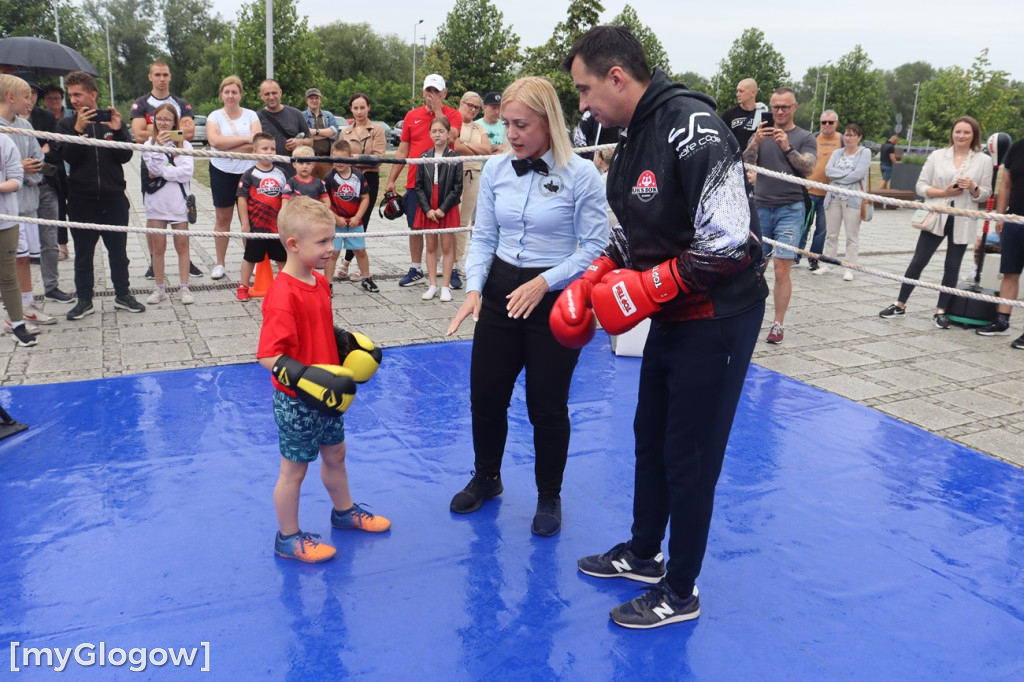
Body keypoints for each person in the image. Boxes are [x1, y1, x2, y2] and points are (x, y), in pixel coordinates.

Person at [563, 25, 767, 629]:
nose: (582, 104)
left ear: (617, 77)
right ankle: (644, 554)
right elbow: (631, 231)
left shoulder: (693, 128)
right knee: (649, 435)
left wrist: (651, 286)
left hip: (720, 315)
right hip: (674, 313)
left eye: (584, 89)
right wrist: (598, 271)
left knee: (690, 455)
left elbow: (731, 239)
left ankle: (680, 592)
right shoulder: (630, 138)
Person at [445, 75, 607, 537]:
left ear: (549, 122)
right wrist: (474, 286)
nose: (511, 134)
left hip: (554, 297)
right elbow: (485, 237)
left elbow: (595, 247)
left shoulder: (581, 175)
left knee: (547, 405)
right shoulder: (497, 170)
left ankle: (549, 495)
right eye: (509, 124)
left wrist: (545, 281)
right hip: (500, 290)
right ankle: (487, 476)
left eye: (522, 125)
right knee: (486, 395)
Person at [256, 196, 390, 563]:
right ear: (293, 244)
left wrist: (341, 340)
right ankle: (287, 537)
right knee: (294, 470)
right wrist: (303, 376)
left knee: (336, 454)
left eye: (331, 240)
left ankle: (344, 513)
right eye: (322, 242)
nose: (331, 249)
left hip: (328, 393)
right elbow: (268, 354)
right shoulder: (281, 294)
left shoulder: (317, 281)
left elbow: (315, 326)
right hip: (297, 399)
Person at [878, 116, 993, 328]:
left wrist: (973, 187)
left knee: (952, 265)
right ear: (952, 133)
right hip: (936, 215)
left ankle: (941, 310)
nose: (961, 136)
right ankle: (900, 303)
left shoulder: (983, 160)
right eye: (958, 131)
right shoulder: (938, 155)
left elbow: (986, 193)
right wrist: (944, 192)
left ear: (974, 135)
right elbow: (921, 187)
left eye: (966, 132)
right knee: (919, 260)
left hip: (962, 217)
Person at [56, 71, 145, 319]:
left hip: (113, 198)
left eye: (78, 94)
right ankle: (85, 299)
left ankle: (123, 294)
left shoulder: (110, 122)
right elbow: (69, 158)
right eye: (70, 95)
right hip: (81, 200)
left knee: (118, 252)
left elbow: (125, 156)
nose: (73, 100)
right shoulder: (65, 125)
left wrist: (117, 131)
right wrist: (77, 131)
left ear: (92, 94)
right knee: (83, 254)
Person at [743, 86, 816, 345]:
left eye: (785, 106)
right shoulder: (760, 135)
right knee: (754, 266)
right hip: (761, 206)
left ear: (795, 107)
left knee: (781, 268)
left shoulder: (805, 136)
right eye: (776, 107)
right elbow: (746, 164)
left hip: (790, 208)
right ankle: (747, 318)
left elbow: (808, 168)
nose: (780, 111)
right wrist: (755, 142)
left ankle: (778, 323)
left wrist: (786, 147)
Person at [385, 74, 462, 287]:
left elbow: (453, 136)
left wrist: (438, 110)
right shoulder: (411, 115)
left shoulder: (453, 114)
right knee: (416, 226)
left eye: (436, 91)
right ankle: (416, 268)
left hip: (444, 182)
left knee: (448, 227)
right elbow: (403, 149)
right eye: (429, 91)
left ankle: (452, 269)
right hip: (417, 180)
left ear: (444, 94)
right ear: (422, 92)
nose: (431, 95)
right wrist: (392, 179)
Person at [129, 60, 202, 280]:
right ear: (150, 77)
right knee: (154, 217)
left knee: (179, 217)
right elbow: (139, 134)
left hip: (176, 159)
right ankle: (154, 262)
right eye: (157, 75)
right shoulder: (141, 103)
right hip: (150, 160)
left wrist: (161, 133)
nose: (162, 78)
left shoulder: (181, 102)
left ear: (170, 77)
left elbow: (188, 134)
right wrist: (170, 130)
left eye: (165, 75)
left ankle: (185, 262)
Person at [0, 74, 53, 327]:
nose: (31, 102)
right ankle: (13, 311)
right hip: (7, 207)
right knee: (10, 259)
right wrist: (16, 169)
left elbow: (36, 158)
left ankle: (27, 303)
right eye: (26, 97)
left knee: (25, 257)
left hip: (28, 202)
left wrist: (29, 169)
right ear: (11, 98)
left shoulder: (26, 125)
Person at [206, 75, 262, 280]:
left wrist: (228, 142)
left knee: (249, 219)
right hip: (221, 172)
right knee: (223, 219)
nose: (230, 95)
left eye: (234, 92)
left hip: (247, 173)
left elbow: (257, 144)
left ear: (241, 94)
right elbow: (215, 142)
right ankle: (220, 263)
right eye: (227, 91)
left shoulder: (251, 115)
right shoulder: (214, 116)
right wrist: (246, 139)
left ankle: (252, 260)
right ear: (222, 94)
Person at [141, 103, 195, 305]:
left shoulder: (185, 145)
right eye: (160, 119)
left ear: (175, 122)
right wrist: (159, 150)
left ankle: (184, 287)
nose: (163, 123)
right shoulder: (148, 144)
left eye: (168, 119)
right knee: (158, 247)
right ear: (154, 121)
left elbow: (186, 173)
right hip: (156, 202)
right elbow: (152, 166)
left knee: (182, 245)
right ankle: (159, 287)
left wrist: (164, 171)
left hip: (179, 202)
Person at [976, 138, 1024, 349]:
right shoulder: (1018, 147)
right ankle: (1002, 321)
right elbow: (1005, 184)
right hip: (1014, 220)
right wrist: (1000, 215)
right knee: (1010, 272)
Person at [337, 93, 386, 281]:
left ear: (369, 108)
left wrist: (355, 159)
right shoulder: (345, 132)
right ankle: (347, 260)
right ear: (351, 109)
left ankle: (349, 261)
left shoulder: (377, 129)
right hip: (348, 180)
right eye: (355, 108)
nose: (359, 112)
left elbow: (378, 158)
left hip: (368, 179)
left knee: (361, 220)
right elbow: (340, 157)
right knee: (347, 217)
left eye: (362, 108)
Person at [235, 132, 289, 301]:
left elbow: (287, 197)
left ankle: (288, 286)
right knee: (250, 257)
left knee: (283, 258)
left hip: (277, 227)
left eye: (272, 148)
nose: (269, 152)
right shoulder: (249, 174)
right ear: (255, 150)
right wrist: (245, 223)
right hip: (256, 226)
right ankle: (243, 286)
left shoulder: (281, 173)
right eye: (264, 148)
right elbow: (242, 198)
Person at [414, 116, 463, 302]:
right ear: (430, 134)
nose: (437, 134)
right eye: (434, 131)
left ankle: (445, 286)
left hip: (447, 205)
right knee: (431, 245)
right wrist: (427, 209)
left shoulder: (455, 157)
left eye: (441, 131)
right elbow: (418, 186)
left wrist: (443, 209)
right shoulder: (423, 157)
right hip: (429, 205)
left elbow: (457, 187)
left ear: (448, 133)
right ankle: (432, 284)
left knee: (447, 245)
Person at [0, 91, 35, 346]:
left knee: (8, 275)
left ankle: (18, 324)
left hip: (5, 219)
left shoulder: (5, 141)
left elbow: (16, 180)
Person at [816, 123, 870, 282]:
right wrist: (846, 173)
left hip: (852, 199)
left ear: (859, 137)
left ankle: (849, 268)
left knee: (851, 236)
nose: (848, 138)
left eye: (852, 135)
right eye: (846, 134)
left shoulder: (864, 153)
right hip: (833, 197)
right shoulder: (837, 152)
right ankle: (829, 264)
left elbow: (858, 174)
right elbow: (828, 171)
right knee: (831, 233)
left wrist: (839, 176)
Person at [323, 139, 378, 293]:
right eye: (336, 158)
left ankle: (366, 278)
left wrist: (357, 216)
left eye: (343, 158)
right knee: (333, 253)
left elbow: (365, 198)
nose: (339, 162)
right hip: (336, 222)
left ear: (350, 158)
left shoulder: (358, 176)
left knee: (360, 251)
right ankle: (328, 284)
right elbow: (324, 200)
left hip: (355, 221)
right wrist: (335, 218)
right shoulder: (329, 178)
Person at [452, 91, 491, 289]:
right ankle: (443, 261)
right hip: (452, 173)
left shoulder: (480, 127)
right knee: (448, 218)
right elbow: (455, 146)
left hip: (473, 174)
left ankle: (457, 261)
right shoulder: (453, 122)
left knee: (464, 219)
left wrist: (467, 146)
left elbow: (487, 150)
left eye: (476, 107)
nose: (472, 109)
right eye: (469, 105)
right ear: (461, 103)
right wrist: (473, 148)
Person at [801, 110, 843, 270]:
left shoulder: (842, 140)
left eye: (830, 122)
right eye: (823, 122)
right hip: (809, 191)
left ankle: (814, 258)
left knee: (822, 229)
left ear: (836, 124)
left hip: (829, 195)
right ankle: (796, 255)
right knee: (803, 225)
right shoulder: (812, 138)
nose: (826, 125)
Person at [257, 79, 312, 177]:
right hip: (265, 173)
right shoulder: (256, 118)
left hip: (292, 172)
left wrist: (300, 142)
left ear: (280, 93)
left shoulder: (296, 114)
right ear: (261, 96)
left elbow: (310, 141)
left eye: (274, 93)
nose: (271, 97)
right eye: (267, 94)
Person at [720, 77, 769, 150]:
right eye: (737, 91)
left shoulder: (763, 114)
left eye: (741, 91)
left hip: (757, 159)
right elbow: (721, 138)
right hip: (736, 159)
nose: (737, 94)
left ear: (753, 93)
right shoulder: (729, 114)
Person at [301, 88, 339, 180]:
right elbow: (301, 136)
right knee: (308, 188)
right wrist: (326, 133)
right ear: (307, 100)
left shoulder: (328, 115)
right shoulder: (301, 115)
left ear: (320, 100)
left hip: (327, 159)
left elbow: (336, 134)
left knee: (327, 187)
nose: (314, 100)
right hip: (308, 160)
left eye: (316, 98)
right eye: (311, 98)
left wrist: (314, 132)